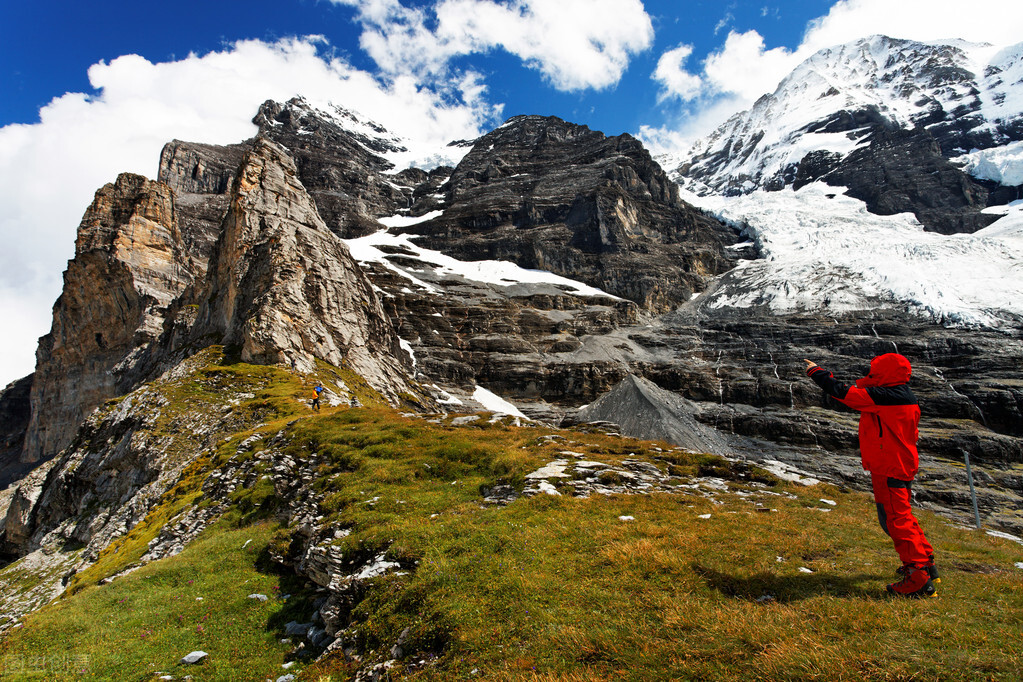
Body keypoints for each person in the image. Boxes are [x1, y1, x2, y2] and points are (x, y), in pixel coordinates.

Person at [804, 353, 938, 598]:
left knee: (895, 520)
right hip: (902, 462)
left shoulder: (885, 397)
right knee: (903, 516)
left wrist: (817, 372)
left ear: (885, 372)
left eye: (875, 370)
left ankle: (918, 577)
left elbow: (845, 393)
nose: (870, 373)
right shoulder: (903, 394)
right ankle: (926, 563)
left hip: (889, 466)